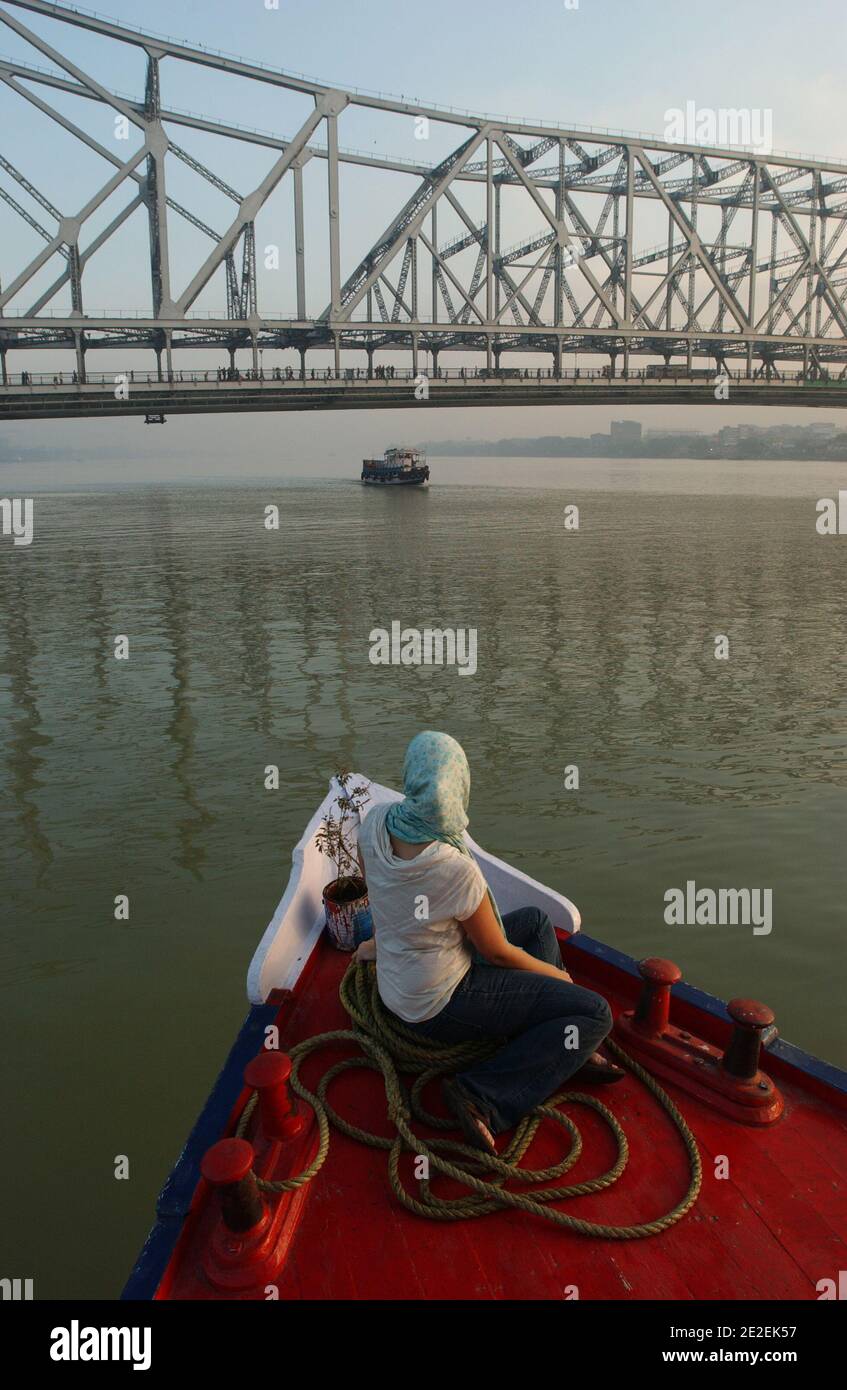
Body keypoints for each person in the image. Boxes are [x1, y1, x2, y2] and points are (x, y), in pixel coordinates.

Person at [354, 731, 621, 1153]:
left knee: (535, 922)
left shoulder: (373, 822)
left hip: (399, 985)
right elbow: (496, 951)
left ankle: (566, 1046)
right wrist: (559, 977)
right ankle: (482, 1097)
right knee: (594, 1012)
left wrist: (377, 945)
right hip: (440, 1003)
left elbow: (385, 900)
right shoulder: (453, 867)